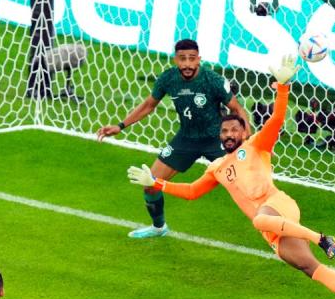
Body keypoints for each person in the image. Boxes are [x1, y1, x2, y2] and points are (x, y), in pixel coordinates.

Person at [126, 55, 335, 299]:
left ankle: (322, 238)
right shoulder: (216, 168)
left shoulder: (257, 145)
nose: (228, 135)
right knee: (308, 267)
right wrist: (156, 183)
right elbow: (192, 192)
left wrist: (283, 88)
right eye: (224, 132)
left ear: (243, 132)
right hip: (271, 229)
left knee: (259, 220)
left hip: (279, 207)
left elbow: (277, 119)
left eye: (233, 131)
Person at [97, 38, 250, 239]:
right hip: (185, 139)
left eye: (191, 59)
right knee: (150, 185)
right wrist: (120, 125)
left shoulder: (212, 80)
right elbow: (148, 105)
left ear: (199, 59)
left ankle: (277, 225)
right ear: (175, 60)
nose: (187, 64)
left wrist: (248, 139)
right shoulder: (168, 79)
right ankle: (159, 227)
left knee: (249, 184)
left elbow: (237, 109)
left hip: (216, 140)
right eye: (182, 59)